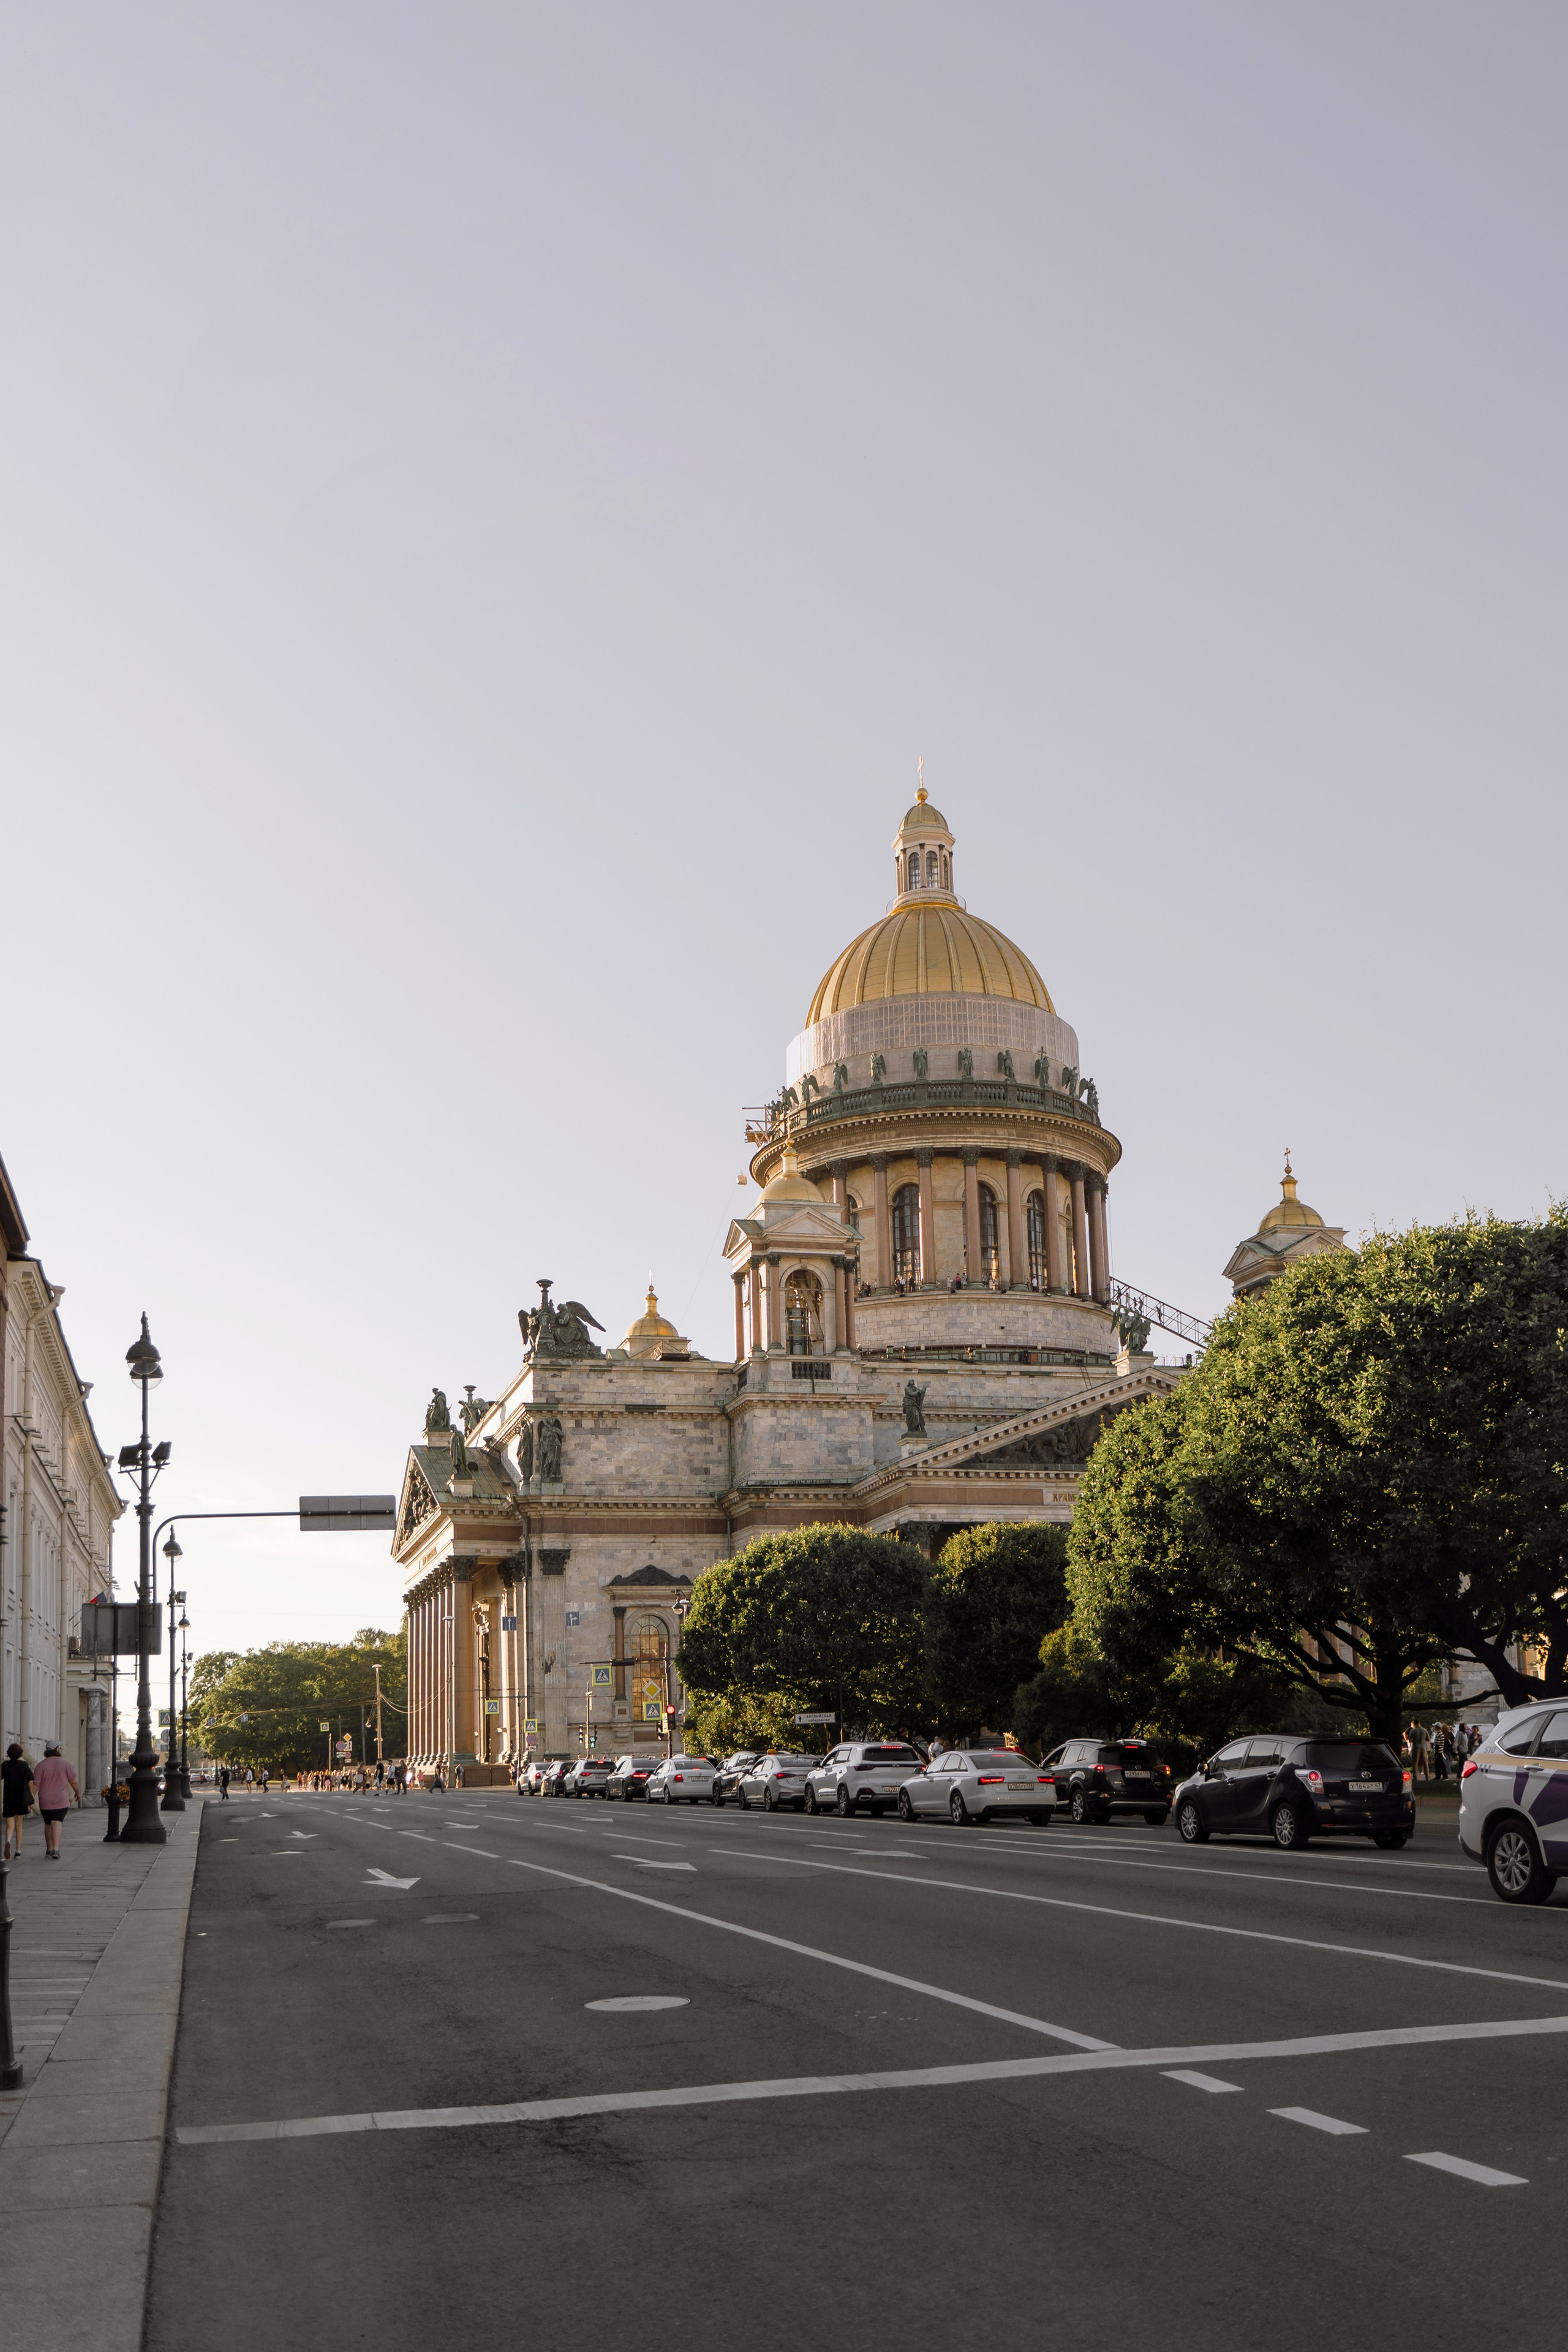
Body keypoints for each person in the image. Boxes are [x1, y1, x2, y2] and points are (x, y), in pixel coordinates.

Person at [34, 1743, 80, 1860]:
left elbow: (36, 1785)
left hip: (45, 1800)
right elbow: (73, 1781)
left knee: (48, 1823)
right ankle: (56, 1849)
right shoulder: (65, 1763)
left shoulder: (41, 1766)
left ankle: (49, 1849)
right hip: (60, 1799)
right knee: (57, 1822)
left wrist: (30, 1799)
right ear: (57, 1749)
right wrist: (77, 1793)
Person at [3, 1743, 34, 1860]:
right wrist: (31, 1795)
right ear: (21, 1754)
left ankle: (8, 1841)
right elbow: (30, 1781)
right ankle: (18, 1851)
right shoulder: (24, 1765)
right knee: (19, 1825)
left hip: (8, 1798)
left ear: (9, 1754)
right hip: (21, 1799)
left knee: (9, 1825)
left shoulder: (5, 1765)